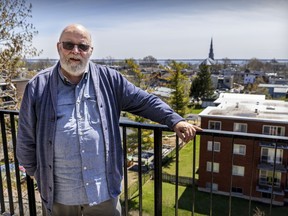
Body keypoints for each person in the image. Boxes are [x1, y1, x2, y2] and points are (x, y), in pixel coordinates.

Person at [16, 24, 201, 216]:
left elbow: (145, 101)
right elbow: (25, 135)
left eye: (83, 46)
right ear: (58, 47)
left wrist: (175, 121)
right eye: (69, 45)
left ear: (91, 51)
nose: (76, 51)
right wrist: (36, 172)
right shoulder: (38, 86)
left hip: (102, 191)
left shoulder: (109, 79)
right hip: (60, 194)